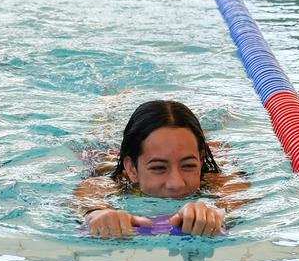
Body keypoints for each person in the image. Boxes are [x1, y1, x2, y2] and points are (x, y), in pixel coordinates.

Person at [74, 100, 248, 237]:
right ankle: (112, 101)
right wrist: (96, 214)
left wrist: (219, 214)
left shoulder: (215, 179)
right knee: (103, 132)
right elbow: (88, 195)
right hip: (106, 154)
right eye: (158, 168)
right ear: (132, 169)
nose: (176, 184)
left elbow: (235, 195)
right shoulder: (116, 181)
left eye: (188, 165)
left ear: (201, 161)